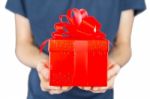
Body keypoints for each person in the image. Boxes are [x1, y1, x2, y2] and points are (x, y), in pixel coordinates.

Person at [5, 0, 146, 99]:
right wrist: (47, 67)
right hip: (42, 94)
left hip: (99, 95)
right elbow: (23, 44)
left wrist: (109, 65)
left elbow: (123, 44)